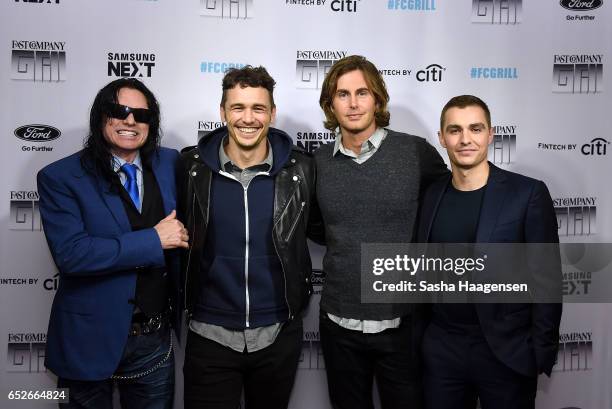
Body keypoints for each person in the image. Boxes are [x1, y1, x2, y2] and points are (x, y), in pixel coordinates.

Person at [37, 77, 187, 409]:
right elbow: (72, 254)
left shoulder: (171, 163)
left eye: (141, 114)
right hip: (87, 341)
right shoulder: (59, 177)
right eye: (118, 111)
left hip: (154, 341)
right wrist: (154, 239)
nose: (130, 120)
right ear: (99, 116)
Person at [179, 65, 320, 409]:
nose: (248, 118)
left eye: (258, 108)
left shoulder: (301, 170)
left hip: (276, 334)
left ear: (272, 114)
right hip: (209, 333)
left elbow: (330, 229)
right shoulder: (189, 168)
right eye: (238, 107)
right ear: (223, 112)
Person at [314, 55, 448, 409]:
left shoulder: (415, 153)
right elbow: (317, 226)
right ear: (330, 104)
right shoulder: (318, 163)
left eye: (362, 92)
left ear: (378, 99)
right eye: (343, 94)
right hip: (338, 324)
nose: (354, 103)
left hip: (402, 324)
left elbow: (446, 213)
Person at [417, 95, 562, 409]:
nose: (465, 139)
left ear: (490, 134)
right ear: (441, 138)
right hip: (442, 349)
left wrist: (539, 350)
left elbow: (547, 279)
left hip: (506, 351)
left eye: (475, 128)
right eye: (455, 130)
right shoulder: (431, 194)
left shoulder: (527, 194)